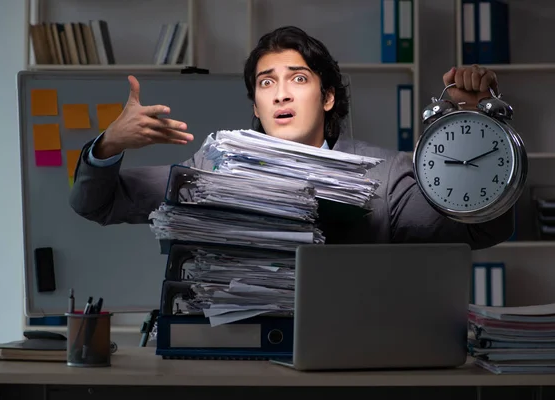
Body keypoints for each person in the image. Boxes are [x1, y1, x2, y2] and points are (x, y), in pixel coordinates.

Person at [69, 26, 514, 250]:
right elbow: (96, 203)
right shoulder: (209, 172)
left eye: (297, 78)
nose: (280, 92)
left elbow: (483, 229)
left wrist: (471, 125)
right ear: (256, 107)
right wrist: (108, 144)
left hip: (350, 365)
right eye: (266, 83)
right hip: (241, 367)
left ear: (327, 97)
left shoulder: (389, 176)